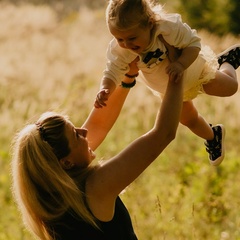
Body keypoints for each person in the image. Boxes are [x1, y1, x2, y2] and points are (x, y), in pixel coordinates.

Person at [11, 54, 184, 240]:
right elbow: (163, 133)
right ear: (66, 162)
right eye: (76, 135)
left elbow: (99, 125)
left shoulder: (52, 202)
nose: (84, 132)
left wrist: (128, 76)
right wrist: (178, 72)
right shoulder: (95, 188)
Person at [94, 0, 240, 166]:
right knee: (188, 120)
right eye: (119, 38)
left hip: (195, 73)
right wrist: (105, 88)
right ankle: (213, 136)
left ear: (149, 24)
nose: (126, 44)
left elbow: (193, 44)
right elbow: (112, 71)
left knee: (230, 88)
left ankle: (226, 62)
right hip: (170, 90)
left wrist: (180, 64)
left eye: (132, 38)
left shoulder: (166, 29)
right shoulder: (122, 50)